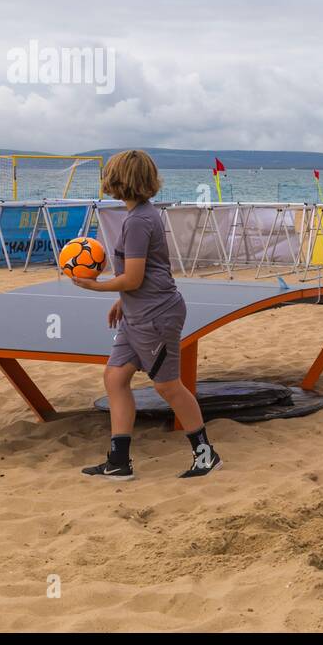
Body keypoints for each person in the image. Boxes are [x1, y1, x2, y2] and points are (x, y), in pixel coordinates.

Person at [75, 150, 220, 479]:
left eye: (109, 174)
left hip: (156, 315)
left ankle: (206, 454)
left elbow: (135, 277)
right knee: (115, 378)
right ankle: (119, 461)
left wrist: (95, 287)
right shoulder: (139, 215)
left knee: (168, 387)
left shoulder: (139, 220)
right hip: (136, 313)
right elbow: (142, 274)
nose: (105, 180)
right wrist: (123, 300)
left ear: (120, 180)